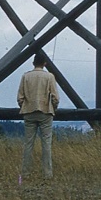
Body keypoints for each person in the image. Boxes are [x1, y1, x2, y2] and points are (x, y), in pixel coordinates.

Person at [17, 52, 60, 180]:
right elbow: (55, 97)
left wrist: (24, 106)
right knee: (46, 144)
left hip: (29, 111)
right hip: (45, 111)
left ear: (33, 63)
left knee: (28, 144)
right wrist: (53, 107)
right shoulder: (49, 76)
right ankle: (47, 174)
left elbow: (20, 97)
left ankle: (25, 173)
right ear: (45, 63)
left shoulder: (25, 76)